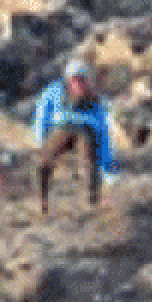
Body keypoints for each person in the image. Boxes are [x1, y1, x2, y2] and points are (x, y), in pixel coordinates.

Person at [32, 58, 119, 215]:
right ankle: (42, 204)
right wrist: (40, 139)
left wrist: (109, 172)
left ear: (88, 82)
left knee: (89, 162)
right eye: (74, 80)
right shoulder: (55, 92)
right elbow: (42, 114)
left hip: (86, 131)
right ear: (68, 81)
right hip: (63, 128)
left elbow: (105, 136)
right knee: (41, 163)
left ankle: (92, 204)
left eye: (82, 81)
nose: (78, 85)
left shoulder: (97, 104)